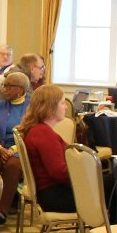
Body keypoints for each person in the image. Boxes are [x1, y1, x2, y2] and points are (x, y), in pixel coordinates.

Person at [19, 85, 77, 213]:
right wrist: (86, 179)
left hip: (49, 193)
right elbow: (60, 172)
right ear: (51, 108)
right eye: (62, 103)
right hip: (55, 197)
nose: (66, 107)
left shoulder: (38, 129)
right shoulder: (43, 134)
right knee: (114, 184)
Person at [0, 73, 31, 222]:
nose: (4, 89)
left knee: (12, 167)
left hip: (20, 150)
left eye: (10, 86)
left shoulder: (31, 108)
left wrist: (13, 150)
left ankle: (1, 211)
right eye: (4, 85)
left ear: (20, 89)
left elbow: (30, 135)